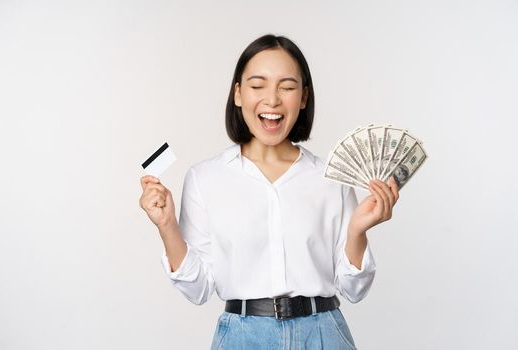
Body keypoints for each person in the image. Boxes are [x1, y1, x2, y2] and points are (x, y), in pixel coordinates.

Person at [138, 34, 400, 349]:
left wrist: (358, 231)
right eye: (257, 85)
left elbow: (354, 290)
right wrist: (167, 226)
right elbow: (198, 289)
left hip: (323, 335)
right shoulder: (205, 178)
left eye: (287, 87)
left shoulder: (331, 177)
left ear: (303, 97)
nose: (272, 100)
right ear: (237, 94)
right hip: (242, 337)